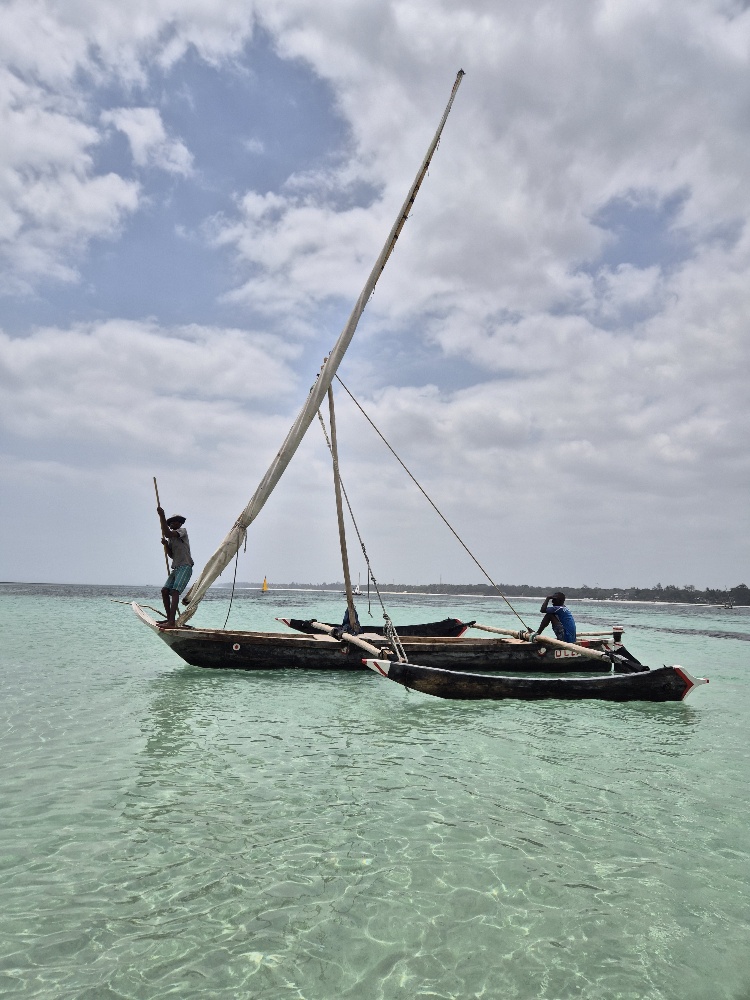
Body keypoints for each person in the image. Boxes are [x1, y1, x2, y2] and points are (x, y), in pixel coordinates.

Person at [157, 506, 194, 629]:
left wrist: (162, 516)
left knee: (174, 591)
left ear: (180, 523)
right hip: (176, 567)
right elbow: (172, 555)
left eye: (175, 521)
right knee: (165, 591)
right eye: (171, 522)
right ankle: (169, 618)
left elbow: (167, 533)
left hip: (185, 566)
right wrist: (167, 545)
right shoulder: (172, 539)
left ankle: (172, 622)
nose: (173, 523)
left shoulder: (182, 531)